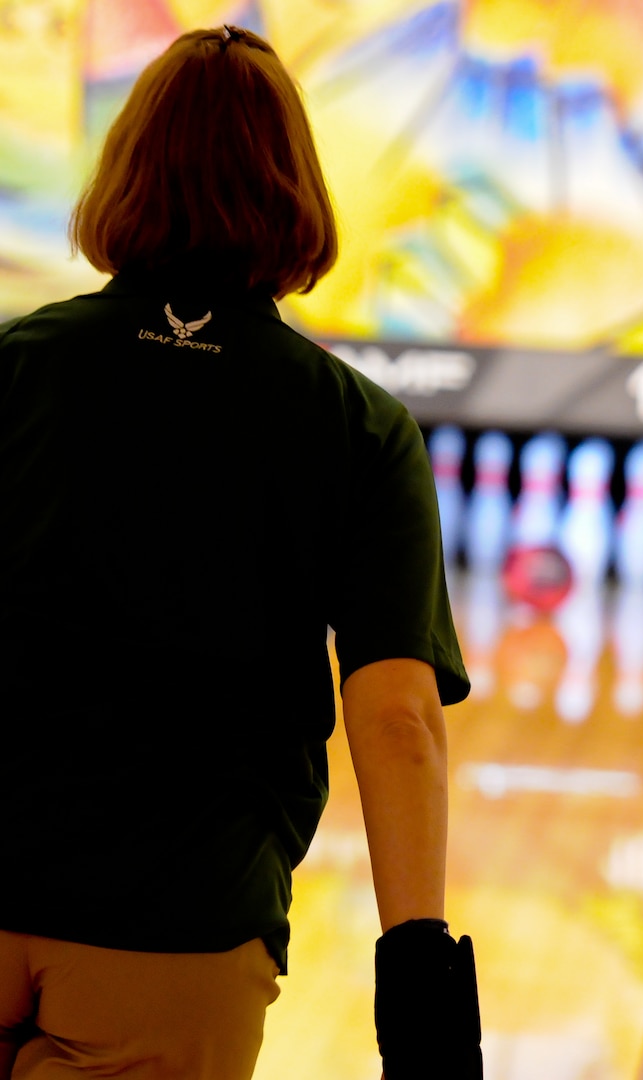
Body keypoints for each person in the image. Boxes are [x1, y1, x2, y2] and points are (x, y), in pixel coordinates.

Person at [0, 24, 481, 1080]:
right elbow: (397, 717)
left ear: (123, 172)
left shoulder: (15, 370)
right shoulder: (357, 426)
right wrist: (421, 990)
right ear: (296, 191)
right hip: (174, 931)